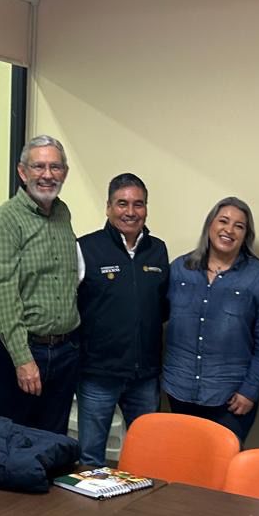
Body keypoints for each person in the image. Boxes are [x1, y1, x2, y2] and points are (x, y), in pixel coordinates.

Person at [0, 135, 80, 435]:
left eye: (55, 167)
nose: (47, 175)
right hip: (23, 353)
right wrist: (23, 359)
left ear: (64, 172)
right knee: (8, 444)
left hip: (64, 352)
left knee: (53, 442)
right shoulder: (6, 220)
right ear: (22, 172)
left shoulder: (63, 213)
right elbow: (4, 294)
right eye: (38, 166)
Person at [163, 197, 259, 442]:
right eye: (223, 221)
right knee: (184, 460)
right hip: (179, 389)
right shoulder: (180, 270)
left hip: (231, 398)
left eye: (239, 226)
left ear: (246, 235)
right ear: (210, 225)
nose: (229, 230)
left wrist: (250, 390)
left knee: (221, 465)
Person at [75, 173, 169, 466]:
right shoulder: (86, 247)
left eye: (138, 204)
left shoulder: (158, 250)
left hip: (145, 377)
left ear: (146, 209)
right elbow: (71, 307)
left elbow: (163, 307)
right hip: (98, 375)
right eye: (122, 203)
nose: (130, 212)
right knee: (90, 458)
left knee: (147, 457)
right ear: (108, 207)